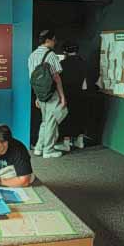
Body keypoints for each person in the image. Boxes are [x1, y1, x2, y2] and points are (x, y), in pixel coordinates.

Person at [28, 29, 68, 158]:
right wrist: (62, 97)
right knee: (52, 120)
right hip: (51, 93)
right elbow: (56, 78)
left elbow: (33, 79)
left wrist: (37, 97)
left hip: (40, 94)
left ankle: (39, 148)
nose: (55, 42)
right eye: (54, 39)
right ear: (48, 40)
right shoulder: (51, 55)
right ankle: (48, 150)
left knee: (45, 121)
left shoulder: (32, 55)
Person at [58, 41, 88, 152]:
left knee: (67, 117)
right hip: (81, 93)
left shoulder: (62, 64)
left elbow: (59, 81)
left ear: (65, 51)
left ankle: (66, 143)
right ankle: (80, 141)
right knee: (80, 115)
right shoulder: (83, 62)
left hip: (67, 94)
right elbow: (85, 82)